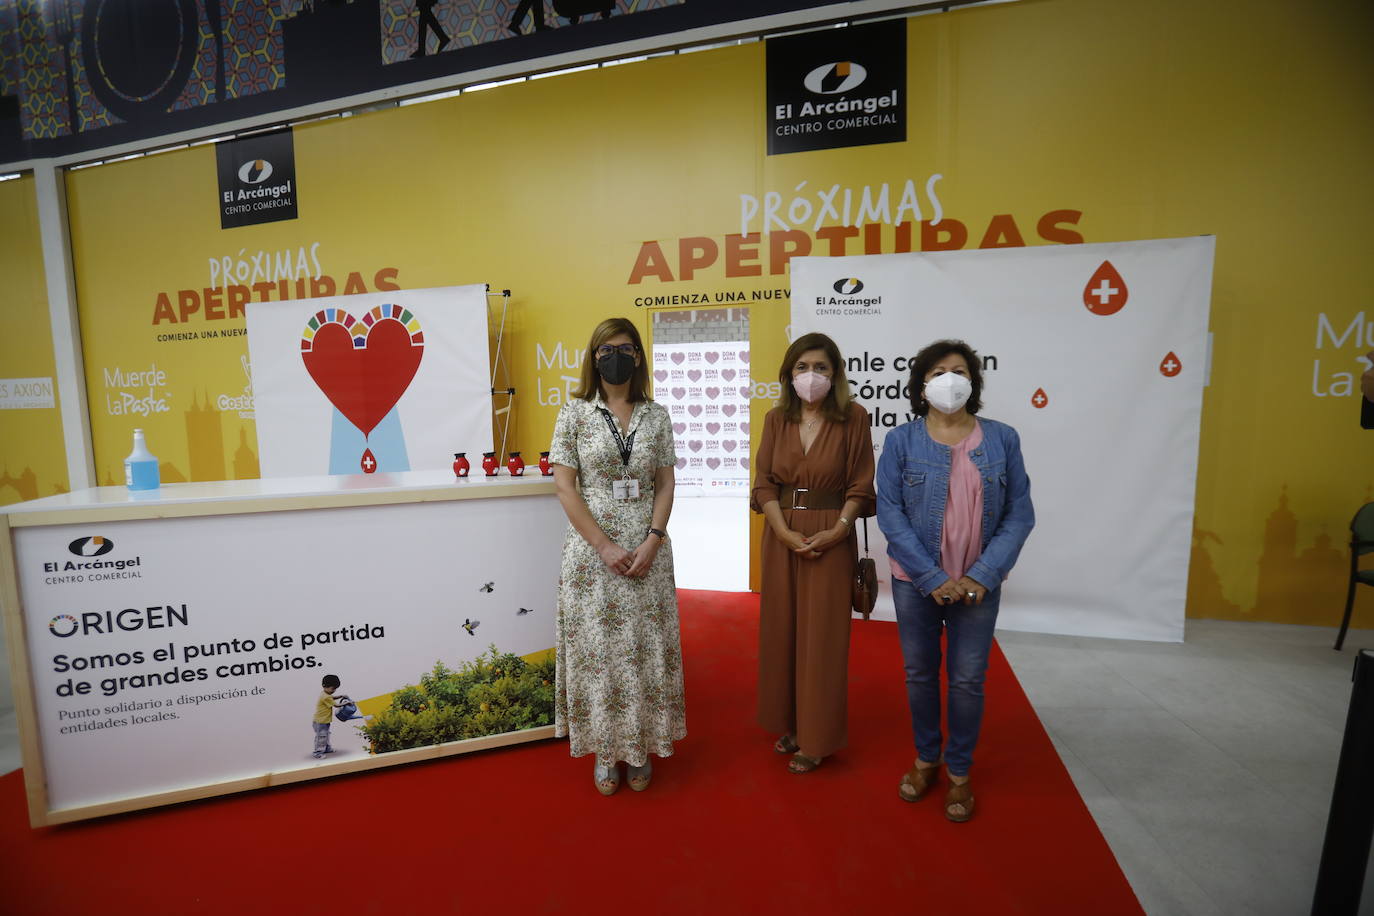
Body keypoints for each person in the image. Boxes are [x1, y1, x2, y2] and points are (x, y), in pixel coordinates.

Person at [876, 339, 1034, 822]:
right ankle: (927, 759)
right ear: (922, 384)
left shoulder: (1002, 438)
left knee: (967, 681)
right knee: (920, 675)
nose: (949, 379)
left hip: (977, 587)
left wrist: (982, 575)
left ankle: (959, 773)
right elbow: (890, 511)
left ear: (974, 381)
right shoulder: (902, 440)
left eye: (959, 370)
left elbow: (1019, 514)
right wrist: (930, 576)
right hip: (916, 582)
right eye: (939, 371)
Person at [548, 317, 685, 795]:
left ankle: (642, 745)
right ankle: (606, 752)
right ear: (594, 358)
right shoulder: (573, 414)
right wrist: (604, 546)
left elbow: (665, 482)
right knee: (599, 655)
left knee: (644, 651)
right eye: (605, 350)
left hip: (649, 553)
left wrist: (654, 537)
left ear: (639, 357)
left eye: (624, 348)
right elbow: (565, 486)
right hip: (592, 557)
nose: (615, 357)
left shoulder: (657, 415)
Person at [751, 332, 875, 774]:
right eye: (802, 367)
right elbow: (764, 482)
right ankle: (792, 724)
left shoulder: (854, 417)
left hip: (831, 536)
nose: (811, 376)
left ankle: (818, 738)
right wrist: (781, 530)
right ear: (788, 374)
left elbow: (861, 483)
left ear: (835, 374)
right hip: (781, 532)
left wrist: (839, 529)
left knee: (821, 637)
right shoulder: (775, 419)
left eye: (820, 368)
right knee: (783, 631)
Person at [312, 674, 347, 758]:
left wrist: (341, 696)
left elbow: (332, 697)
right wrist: (346, 703)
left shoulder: (325, 693)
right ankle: (318, 753)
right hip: (321, 721)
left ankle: (327, 748)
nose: (334, 690)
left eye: (335, 689)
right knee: (321, 737)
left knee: (326, 735)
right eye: (332, 688)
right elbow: (336, 705)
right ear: (324, 686)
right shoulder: (325, 697)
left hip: (324, 720)